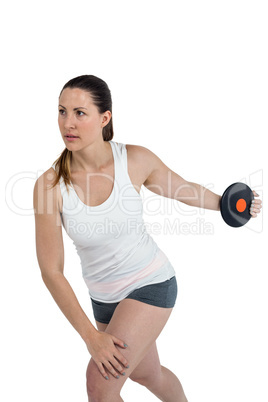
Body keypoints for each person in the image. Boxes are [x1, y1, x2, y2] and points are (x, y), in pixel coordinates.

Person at [33, 75, 262, 402]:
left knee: (100, 384)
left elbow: (184, 191)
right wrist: (89, 336)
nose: (67, 123)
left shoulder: (134, 160)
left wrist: (228, 203)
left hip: (150, 282)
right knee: (147, 373)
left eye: (80, 113)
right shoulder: (49, 186)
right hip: (104, 298)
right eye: (62, 111)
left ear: (104, 118)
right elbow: (51, 270)